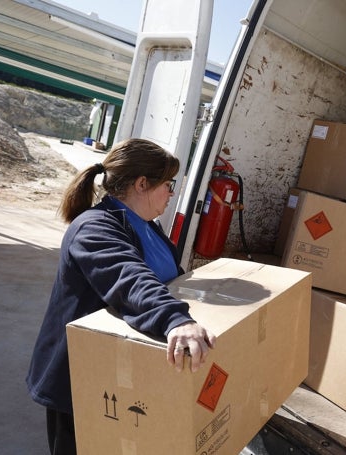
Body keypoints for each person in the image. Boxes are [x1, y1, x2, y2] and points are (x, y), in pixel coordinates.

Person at [26, 138, 216, 455]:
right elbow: (128, 277)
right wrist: (175, 320)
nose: (172, 194)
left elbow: (171, 278)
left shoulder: (147, 227)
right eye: (168, 185)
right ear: (142, 183)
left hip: (120, 376)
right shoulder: (94, 227)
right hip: (79, 383)